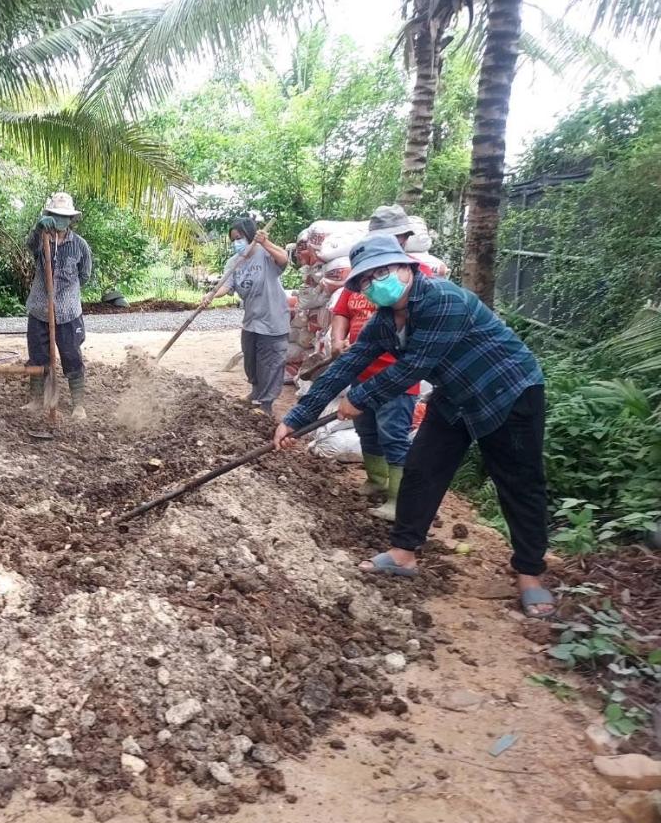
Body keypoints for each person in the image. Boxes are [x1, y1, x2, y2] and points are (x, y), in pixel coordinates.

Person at [272, 233, 554, 618]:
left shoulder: (443, 299)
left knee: (519, 482)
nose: (375, 284)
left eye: (383, 272)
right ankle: (403, 554)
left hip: (507, 390)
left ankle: (530, 573)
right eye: (366, 280)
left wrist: (359, 400)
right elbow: (346, 366)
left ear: (406, 267)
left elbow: (414, 367)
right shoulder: (386, 321)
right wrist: (296, 419)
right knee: (422, 471)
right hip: (455, 396)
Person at [330, 275, 419, 520]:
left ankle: (398, 500)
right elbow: (341, 312)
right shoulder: (357, 283)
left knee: (393, 436)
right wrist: (337, 340)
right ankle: (377, 480)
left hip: (396, 378)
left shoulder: (406, 282)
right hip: (362, 373)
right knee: (367, 430)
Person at [22, 191, 93, 420]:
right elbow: (29, 245)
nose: (60, 221)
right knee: (38, 356)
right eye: (55, 216)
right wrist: (38, 229)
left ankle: (78, 405)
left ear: (71, 219)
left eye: (65, 217)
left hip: (68, 312)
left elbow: (85, 275)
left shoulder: (80, 246)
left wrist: (64, 293)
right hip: (40, 308)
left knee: (72, 355)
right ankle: (36, 399)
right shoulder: (41, 240)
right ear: (49, 216)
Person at [213, 216, 290, 415]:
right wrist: (210, 296)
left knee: (271, 363)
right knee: (251, 360)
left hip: (273, 319)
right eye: (233, 239)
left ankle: (265, 404)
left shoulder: (265, 254)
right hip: (252, 319)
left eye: (239, 237)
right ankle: (255, 393)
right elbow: (225, 285)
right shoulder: (234, 262)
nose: (236, 243)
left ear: (249, 236)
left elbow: (284, 259)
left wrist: (266, 242)